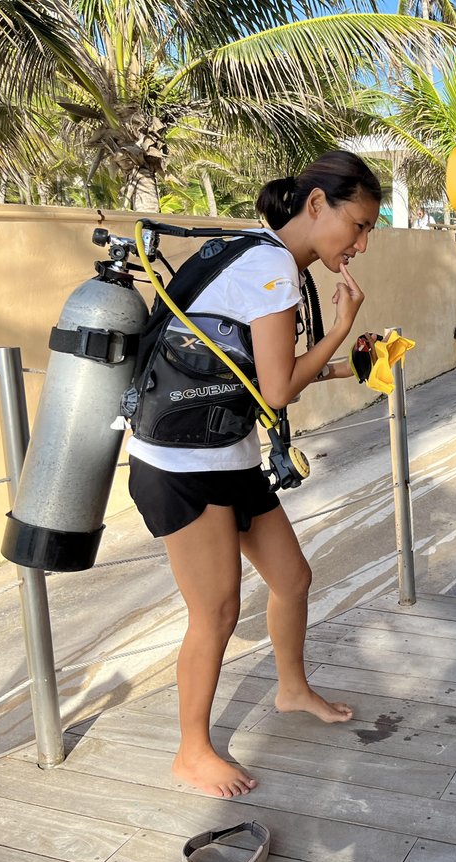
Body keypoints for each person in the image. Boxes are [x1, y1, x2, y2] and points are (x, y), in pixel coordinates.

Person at [126, 151, 382, 798]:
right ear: (317, 204)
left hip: (226, 455)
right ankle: (191, 751)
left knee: (292, 578)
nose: (361, 243)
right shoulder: (272, 268)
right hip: (180, 467)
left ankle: (291, 689)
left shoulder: (261, 252)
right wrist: (342, 327)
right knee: (215, 609)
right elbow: (276, 391)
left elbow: (258, 372)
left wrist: (353, 363)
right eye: (358, 225)